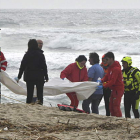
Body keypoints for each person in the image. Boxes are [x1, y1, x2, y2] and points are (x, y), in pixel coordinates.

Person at [15, 39, 49, 105]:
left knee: (29, 93)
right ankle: (39, 104)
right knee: (40, 93)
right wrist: (46, 77)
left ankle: (28, 104)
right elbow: (44, 66)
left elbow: (22, 67)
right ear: (36, 45)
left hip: (29, 77)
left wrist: (19, 77)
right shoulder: (40, 54)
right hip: (39, 76)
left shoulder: (27, 55)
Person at [100, 52, 124, 117]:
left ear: (111, 59)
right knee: (111, 106)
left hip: (118, 90)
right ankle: (114, 119)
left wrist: (104, 85)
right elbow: (107, 76)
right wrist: (101, 80)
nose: (106, 61)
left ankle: (119, 119)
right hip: (113, 90)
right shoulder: (111, 67)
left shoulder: (116, 69)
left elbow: (113, 81)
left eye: (107, 59)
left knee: (116, 106)